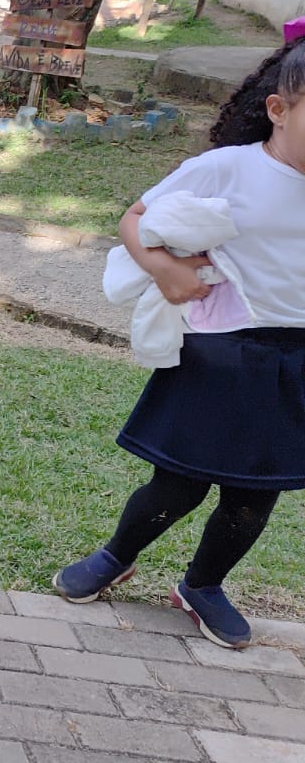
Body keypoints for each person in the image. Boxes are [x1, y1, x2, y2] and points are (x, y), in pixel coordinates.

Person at [52, 38, 305, 650]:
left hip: (295, 358)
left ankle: (203, 585)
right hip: (222, 347)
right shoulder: (228, 168)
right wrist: (165, 269)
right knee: (179, 482)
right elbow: (135, 218)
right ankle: (116, 556)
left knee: (255, 497)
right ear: (278, 109)